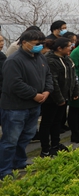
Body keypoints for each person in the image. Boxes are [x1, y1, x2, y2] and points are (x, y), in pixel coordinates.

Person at [0, 29, 53, 178]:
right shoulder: (14, 60)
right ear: (24, 43)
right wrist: (34, 94)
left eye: (41, 43)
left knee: (26, 136)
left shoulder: (40, 58)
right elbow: (14, 83)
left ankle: (19, 162)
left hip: (34, 106)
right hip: (15, 107)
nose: (39, 46)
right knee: (10, 140)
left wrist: (47, 90)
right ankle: (4, 170)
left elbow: (48, 75)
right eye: (36, 44)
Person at [41, 38, 78, 157]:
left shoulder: (67, 59)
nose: (71, 48)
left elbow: (74, 76)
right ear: (59, 48)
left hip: (64, 96)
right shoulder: (50, 60)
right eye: (68, 46)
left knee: (57, 122)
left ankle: (55, 144)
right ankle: (45, 148)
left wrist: (75, 90)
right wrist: (59, 99)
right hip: (52, 98)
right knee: (47, 122)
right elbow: (53, 81)